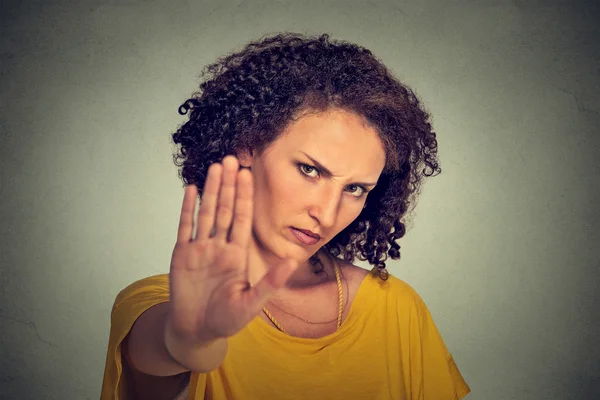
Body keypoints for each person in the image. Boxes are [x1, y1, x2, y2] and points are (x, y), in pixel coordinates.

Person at [100, 32, 471, 400]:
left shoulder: (395, 307)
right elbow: (159, 358)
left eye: (355, 189)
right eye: (310, 170)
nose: (326, 214)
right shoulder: (157, 302)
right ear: (247, 145)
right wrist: (188, 341)